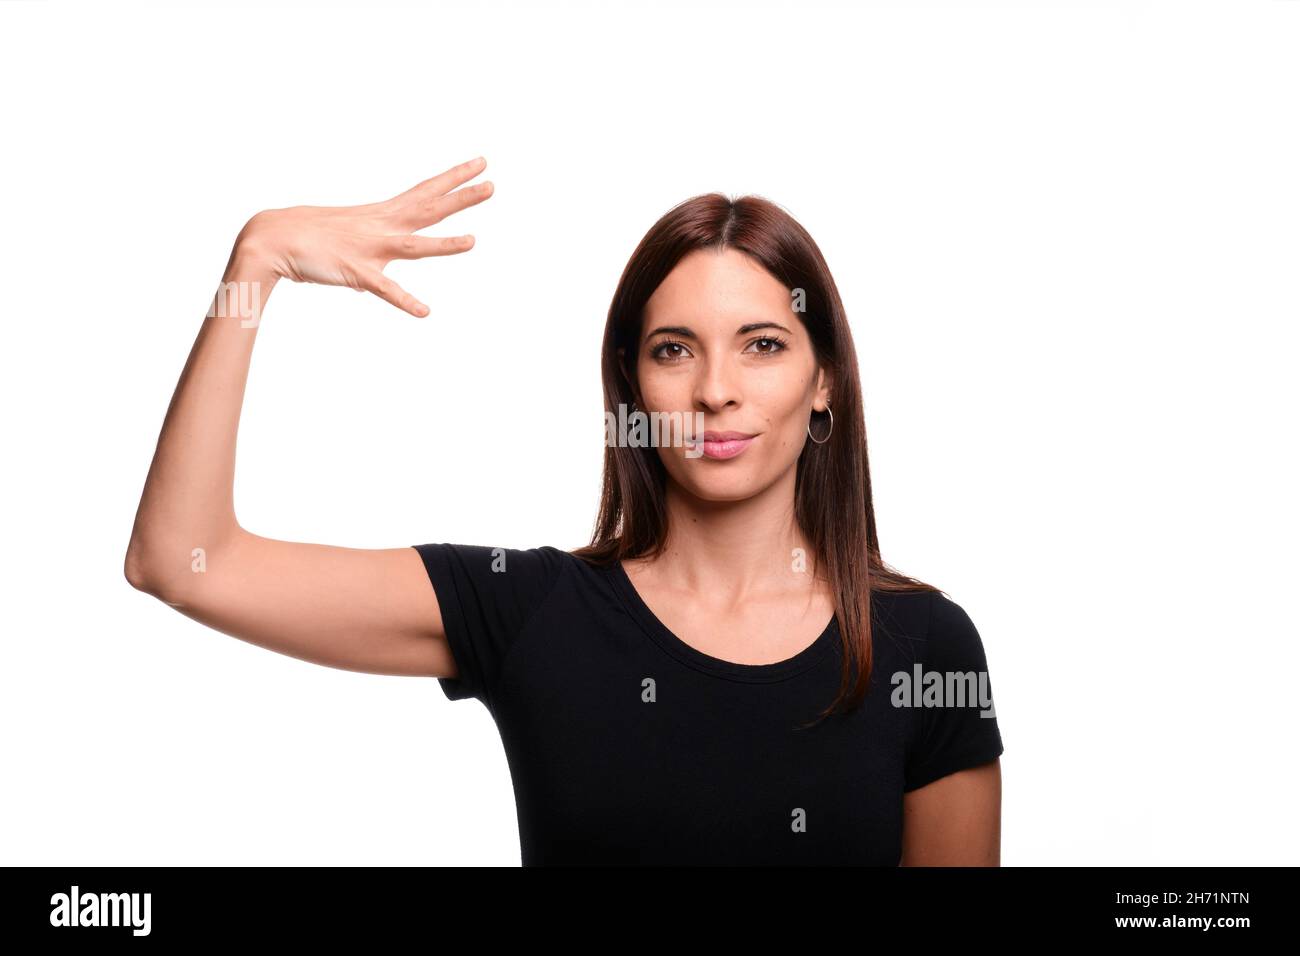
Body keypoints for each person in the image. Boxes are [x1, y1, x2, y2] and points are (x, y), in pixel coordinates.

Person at [125, 155, 1004, 866]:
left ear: (825, 387)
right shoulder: (530, 609)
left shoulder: (923, 648)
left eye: (763, 346)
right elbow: (182, 561)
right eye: (674, 350)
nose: (716, 391)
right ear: (632, 385)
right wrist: (258, 260)